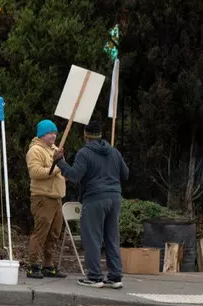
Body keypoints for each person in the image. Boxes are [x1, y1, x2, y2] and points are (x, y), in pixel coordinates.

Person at [53, 120, 129, 289]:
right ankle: (115, 276)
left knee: (92, 238)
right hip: (115, 197)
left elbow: (74, 175)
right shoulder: (114, 152)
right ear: (101, 135)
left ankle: (95, 276)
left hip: (94, 198)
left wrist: (60, 161)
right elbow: (126, 174)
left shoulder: (84, 153)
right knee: (112, 237)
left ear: (85, 136)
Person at [25, 119, 67, 279]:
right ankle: (33, 265)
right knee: (41, 232)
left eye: (55, 133)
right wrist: (57, 168)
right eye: (50, 133)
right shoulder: (35, 150)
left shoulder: (55, 150)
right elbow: (35, 172)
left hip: (56, 198)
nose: (53, 136)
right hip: (43, 198)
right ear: (42, 134)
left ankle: (48, 265)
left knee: (54, 233)